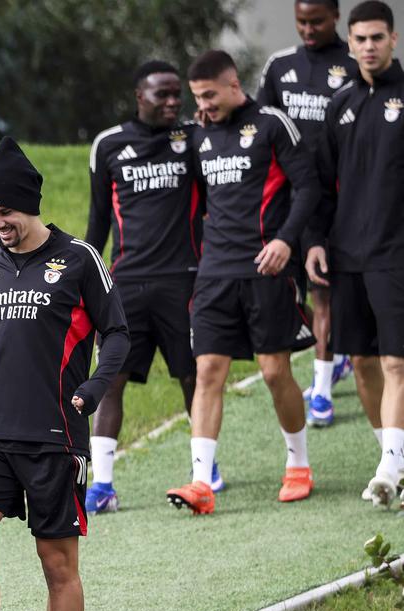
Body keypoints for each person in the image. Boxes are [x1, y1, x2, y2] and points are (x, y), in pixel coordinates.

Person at [0, 137, 129, 611]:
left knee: (57, 564)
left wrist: (94, 389)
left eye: (7, 211)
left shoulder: (79, 260)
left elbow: (119, 334)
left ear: (31, 205)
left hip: (55, 435)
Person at [167, 50, 319, 514]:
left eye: (209, 95)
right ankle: (200, 482)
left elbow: (308, 187)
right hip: (214, 275)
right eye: (197, 97)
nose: (203, 105)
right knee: (208, 371)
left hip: (267, 270)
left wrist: (287, 242)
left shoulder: (273, 124)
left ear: (234, 85)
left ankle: (298, 464)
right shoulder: (196, 136)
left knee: (274, 371)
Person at [85, 60, 205, 513]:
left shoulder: (193, 139)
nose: (174, 102)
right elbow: (98, 220)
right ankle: (103, 485)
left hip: (184, 281)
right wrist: (86, 282)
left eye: (178, 94)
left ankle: (203, 471)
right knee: (111, 381)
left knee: (192, 377)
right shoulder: (109, 144)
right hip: (126, 285)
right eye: (163, 95)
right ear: (141, 96)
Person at [306, 0, 404, 507]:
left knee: (395, 364)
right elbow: (321, 185)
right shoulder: (339, 105)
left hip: (395, 254)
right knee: (361, 361)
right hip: (347, 256)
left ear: (393, 39)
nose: (368, 46)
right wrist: (315, 241)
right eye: (360, 39)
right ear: (350, 43)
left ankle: (390, 466)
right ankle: (393, 458)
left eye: (377, 37)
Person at [258, 0, 361, 426]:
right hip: (287, 200)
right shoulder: (279, 66)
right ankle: (333, 356)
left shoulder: (355, 64)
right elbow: (261, 123)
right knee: (291, 289)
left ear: (335, 16)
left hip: (336, 199)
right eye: (301, 21)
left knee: (323, 290)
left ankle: (320, 391)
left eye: (316, 21)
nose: (308, 29)